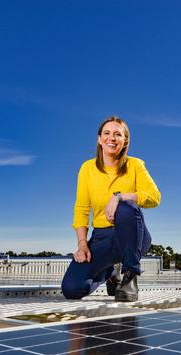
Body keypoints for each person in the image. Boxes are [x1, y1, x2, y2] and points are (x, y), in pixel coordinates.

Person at [61, 116, 160, 302]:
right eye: (106, 133)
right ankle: (110, 271)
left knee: (126, 207)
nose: (111, 138)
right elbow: (81, 208)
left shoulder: (135, 165)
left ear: (125, 141)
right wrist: (82, 244)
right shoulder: (87, 168)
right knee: (71, 289)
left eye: (117, 134)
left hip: (133, 237)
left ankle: (130, 276)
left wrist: (120, 196)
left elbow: (155, 197)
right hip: (102, 237)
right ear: (99, 139)